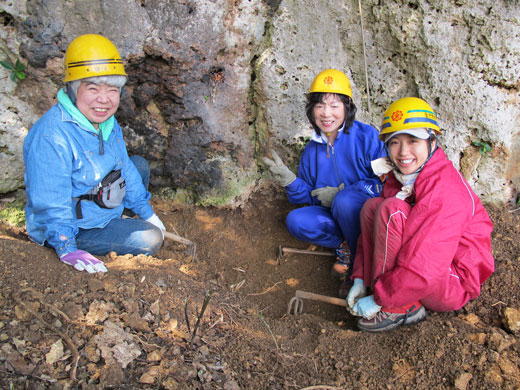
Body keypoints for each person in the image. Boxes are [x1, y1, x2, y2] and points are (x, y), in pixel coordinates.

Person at [347, 97, 495, 332]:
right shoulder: (404, 177)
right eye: (395, 142)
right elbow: (380, 233)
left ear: (432, 142)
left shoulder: (444, 189)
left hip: (452, 280)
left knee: (391, 210)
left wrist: (380, 299)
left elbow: (427, 263)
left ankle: (400, 307)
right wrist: (360, 278)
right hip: (427, 273)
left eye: (413, 140)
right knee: (373, 207)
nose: (403, 152)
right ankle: (387, 292)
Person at [23, 34, 166, 274]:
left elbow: (124, 166)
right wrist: (66, 246)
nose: (104, 99)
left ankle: (119, 220)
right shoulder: (51, 136)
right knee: (150, 239)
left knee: (138, 165)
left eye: (112, 89)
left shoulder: (106, 122)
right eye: (92, 88)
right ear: (73, 89)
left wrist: (147, 213)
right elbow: (51, 199)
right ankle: (93, 235)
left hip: (99, 199)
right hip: (73, 224)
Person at [263, 69, 385, 288]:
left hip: (366, 217)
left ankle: (360, 262)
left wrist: (346, 192)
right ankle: (346, 245)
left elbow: (385, 185)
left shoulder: (367, 137)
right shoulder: (312, 151)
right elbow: (309, 197)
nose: (326, 113)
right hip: (336, 219)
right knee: (296, 220)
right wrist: (290, 180)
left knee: (345, 201)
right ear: (312, 110)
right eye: (320, 105)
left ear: (347, 108)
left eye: (334, 105)